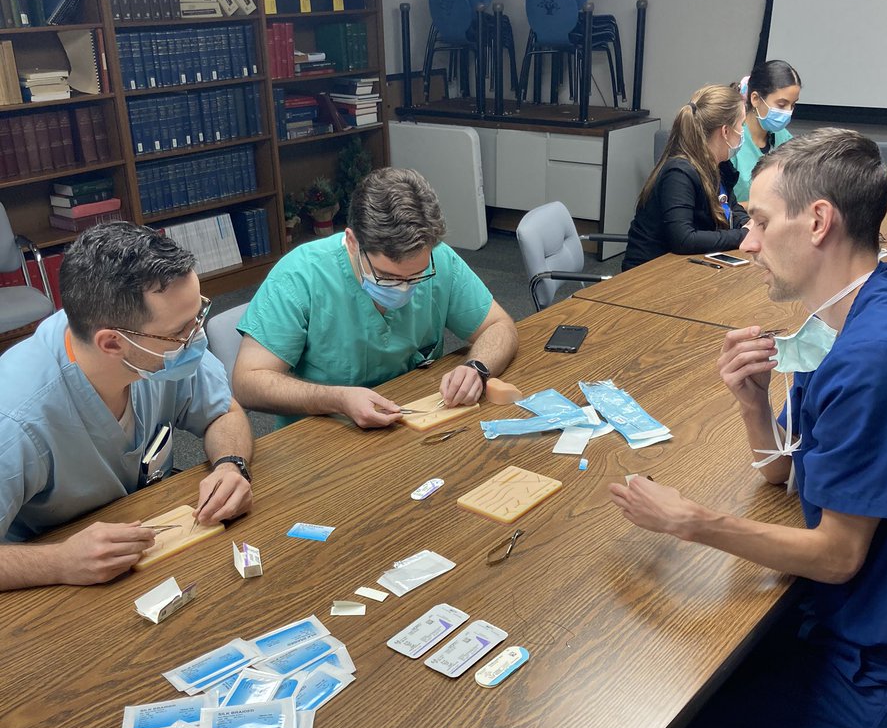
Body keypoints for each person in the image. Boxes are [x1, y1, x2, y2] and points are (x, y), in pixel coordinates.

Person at [609, 128, 887, 728]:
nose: (746, 243)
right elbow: (786, 472)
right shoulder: (851, 310)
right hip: (853, 608)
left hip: (879, 659)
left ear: (818, 221)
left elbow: (837, 556)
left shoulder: (873, 359)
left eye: (760, 222)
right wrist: (750, 402)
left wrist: (693, 522)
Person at [0, 222, 254, 590]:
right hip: (55, 579)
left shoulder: (158, 352)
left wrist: (232, 464)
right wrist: (59, 562)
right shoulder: (16, 418)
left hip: (147, 541)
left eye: (198, 314)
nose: (197, 336)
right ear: (111, 344)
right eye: (181, 330)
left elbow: (223, 411)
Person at [233, 167, 518, 429]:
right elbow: (248, 382)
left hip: (415, 426)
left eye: (415, 277)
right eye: (387, 277)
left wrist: (477, 366)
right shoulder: (300, 276)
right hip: (323, 438)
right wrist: (336, 399)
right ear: (353, 242)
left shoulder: (437, 259)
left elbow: (499, 325)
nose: (403, 288)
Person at [622, 84, 750, 270]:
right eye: (742, 124)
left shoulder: (719, 166)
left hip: (686, 266)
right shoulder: (679, 172)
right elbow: (683, 239)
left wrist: (748, 224)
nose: (743, 131)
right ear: (725, 131)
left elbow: (732, 208)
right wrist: (743, 234)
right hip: (648, 273)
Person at [731, 59, 802, 202]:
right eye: (781, 105)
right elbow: (720, 206)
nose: (788, 112)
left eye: (793, 105)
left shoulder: (784, 139)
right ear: (755, 98)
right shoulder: (732, 140)